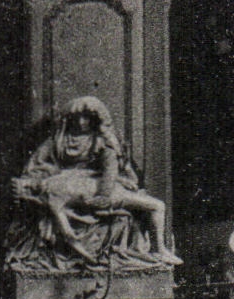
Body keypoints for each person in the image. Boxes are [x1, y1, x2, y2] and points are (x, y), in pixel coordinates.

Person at [10, 96, 179, 267]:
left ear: (95, 119)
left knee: (139, 208)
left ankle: (158, 249)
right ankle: (158, 249)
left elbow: (111, 172)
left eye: (87, 117)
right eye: (77, 117)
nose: (82, 122)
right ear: (70, 118)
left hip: (97, 188)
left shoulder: (101, 141)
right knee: (154, 205)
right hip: (72, 191)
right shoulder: (58, 141)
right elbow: (34, 169)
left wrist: (107, 186)